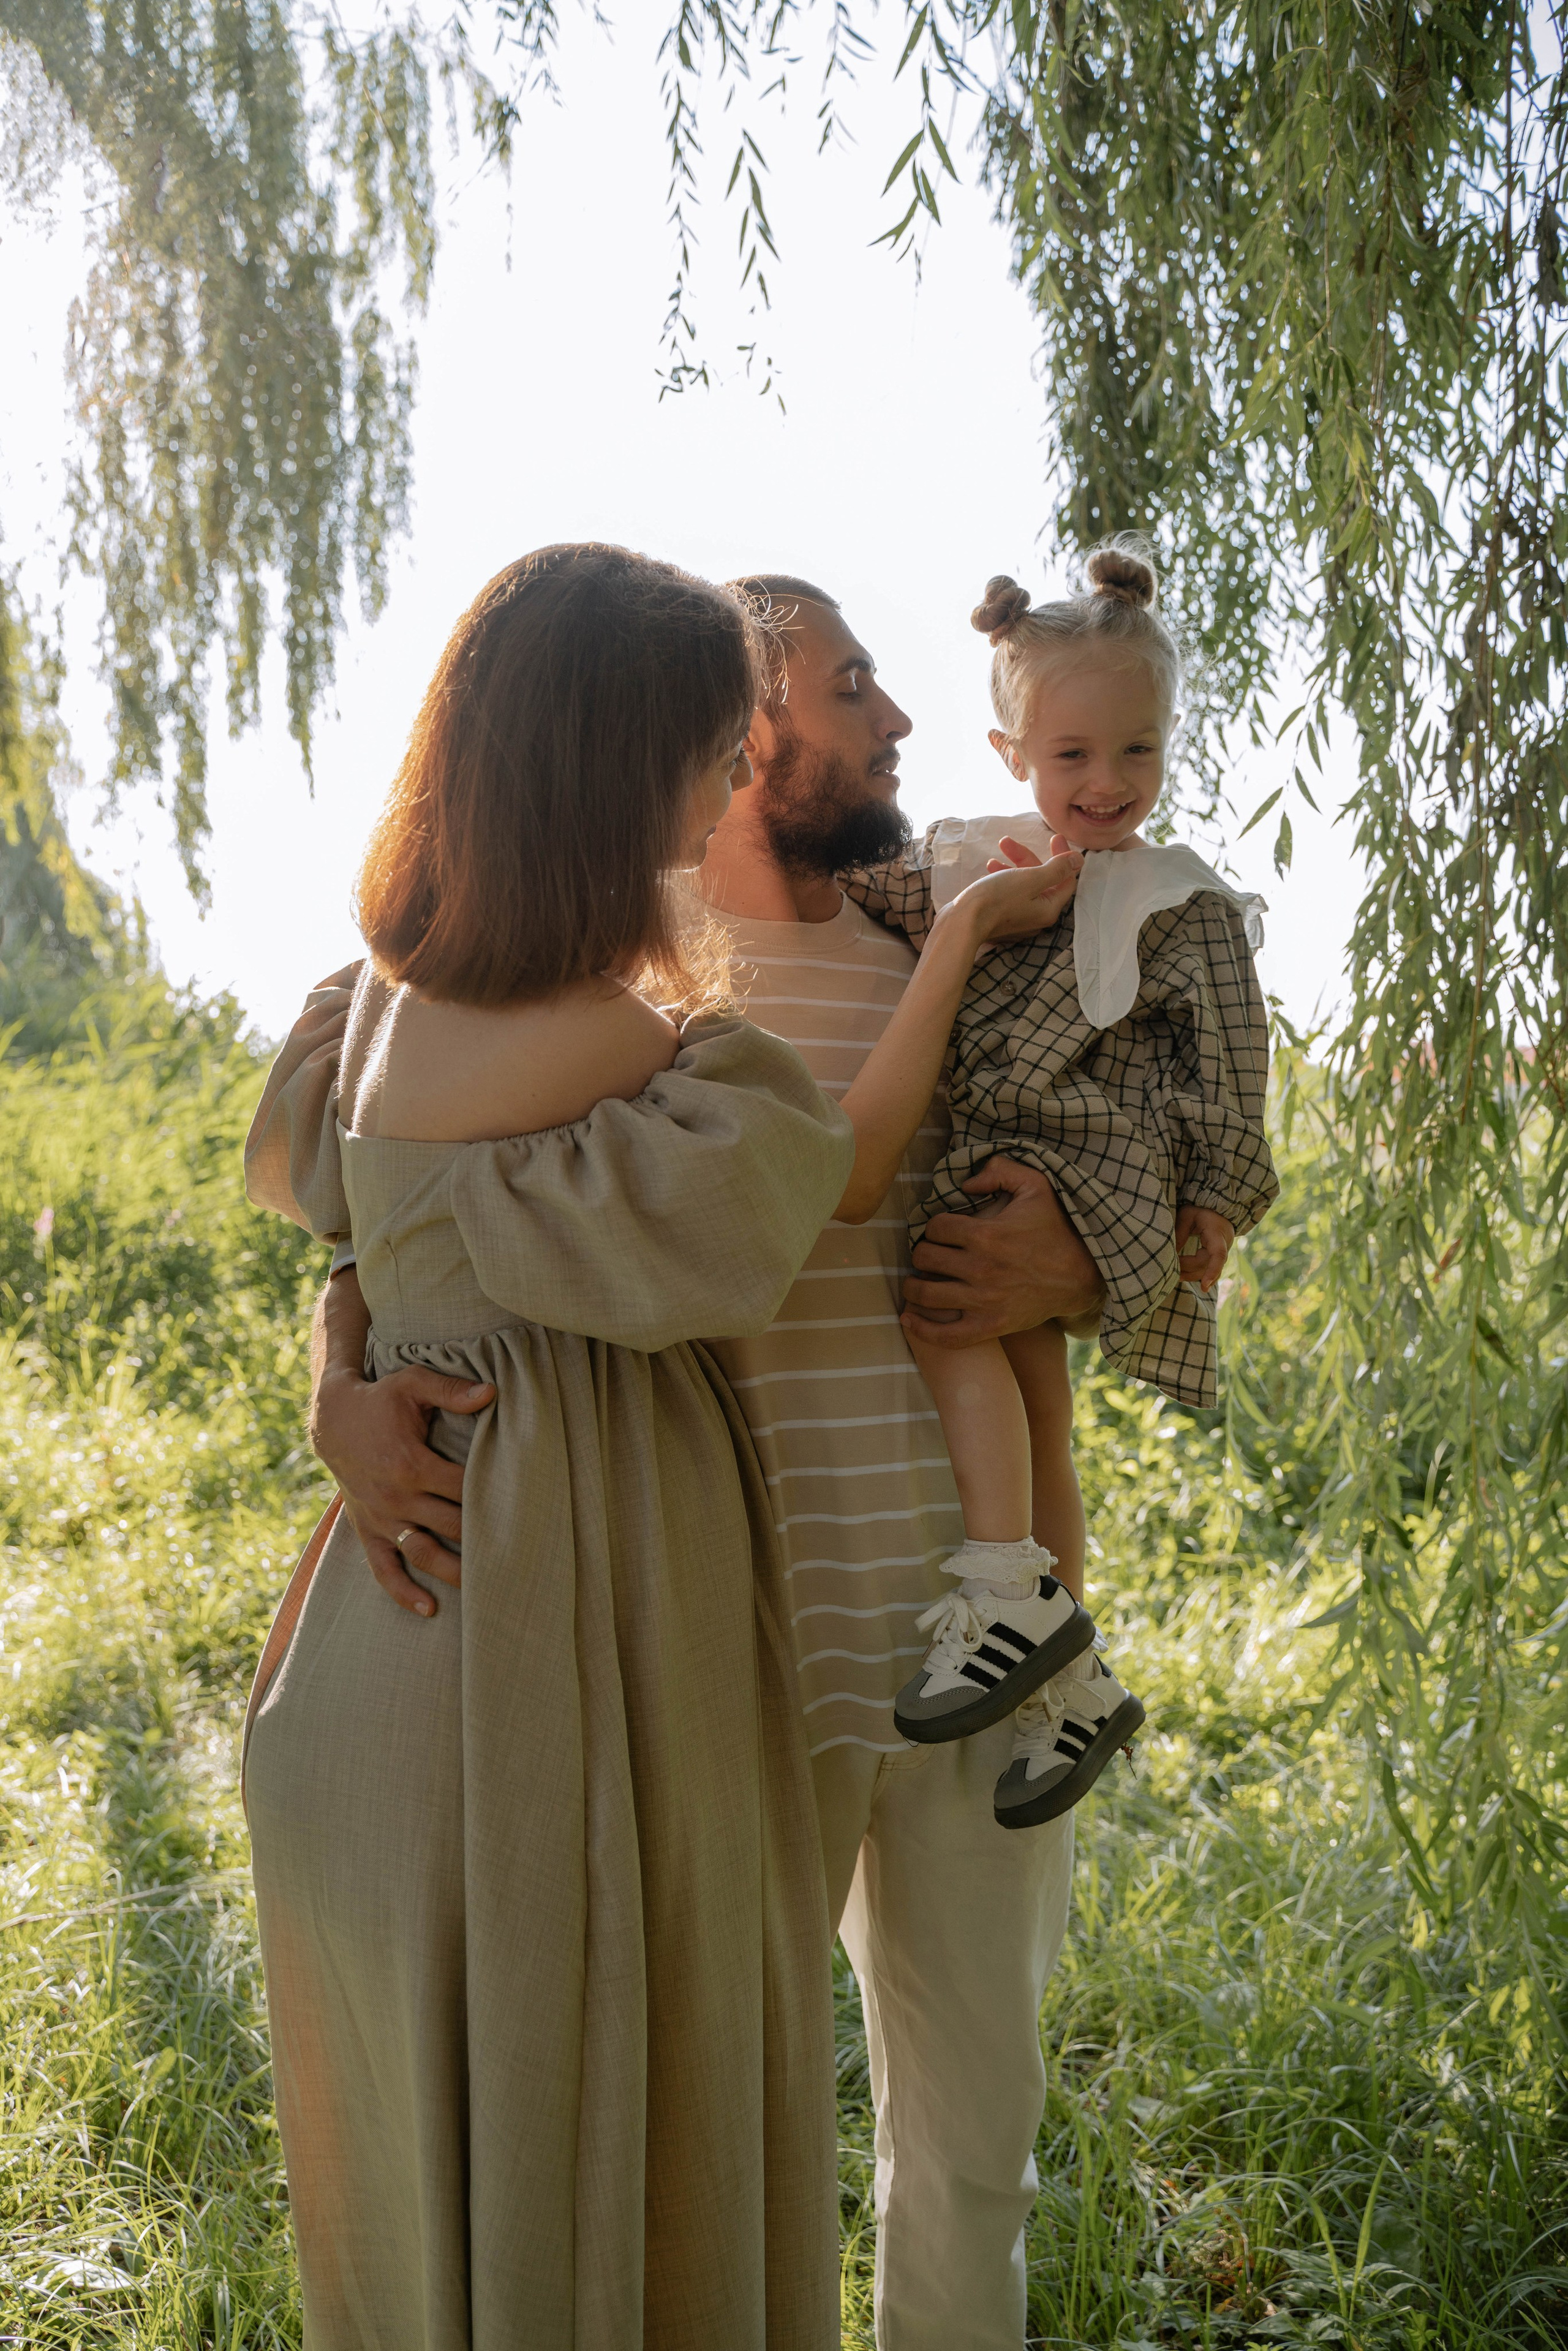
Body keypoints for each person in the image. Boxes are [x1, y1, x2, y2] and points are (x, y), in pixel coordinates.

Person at [298, 572, 1111, 2351]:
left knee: (970, 2138)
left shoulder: (931, 943)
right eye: (842, 682)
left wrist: (1081, 1255)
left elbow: (1128, 1189)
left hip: (962, 1616)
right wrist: (337, 1382)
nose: (889, 715)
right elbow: (383, 1222)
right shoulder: (598, 980)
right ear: (728, 742)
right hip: (710, 1640)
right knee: (700, 2116)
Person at [241, 543, 872, 2351]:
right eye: (708, 744)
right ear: (617, 766)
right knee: (619, 2047)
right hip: (558, 1612)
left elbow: (363, 1230)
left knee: (455, 2125)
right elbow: (800, 1177)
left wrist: (336, 1373)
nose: (730, 780)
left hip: (392, 1629)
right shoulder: (626, 1042)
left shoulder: (369, 1002)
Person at [841, 540, 1278, 1832]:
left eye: (1133, 752)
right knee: (1037, 1399)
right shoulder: (969, 860)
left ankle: (1003, 1584)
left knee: (945, 1309)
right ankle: (1067, 1676)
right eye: (1071, 755)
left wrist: (1216, 1193)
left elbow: (1227, 1058)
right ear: (1010, 750)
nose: (1106, 784)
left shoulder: (1177, 898)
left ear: (1164, 744)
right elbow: (856, 891)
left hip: (1089, 1153)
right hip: (1019, 1152)